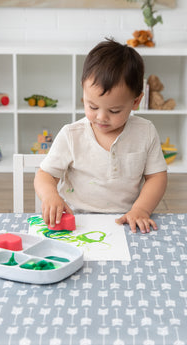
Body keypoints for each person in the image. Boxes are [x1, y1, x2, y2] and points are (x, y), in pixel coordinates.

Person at [34, 38, 167, 234]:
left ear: (136, 101)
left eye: (114, 111)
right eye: (92, 106)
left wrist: (141, 209)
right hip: (75, 221)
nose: (101, 117)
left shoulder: (145, 132)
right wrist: (50, 196)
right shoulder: (72, 135)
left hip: (125, 221)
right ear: (84, 91)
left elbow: (157, 177)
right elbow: (45, 175)